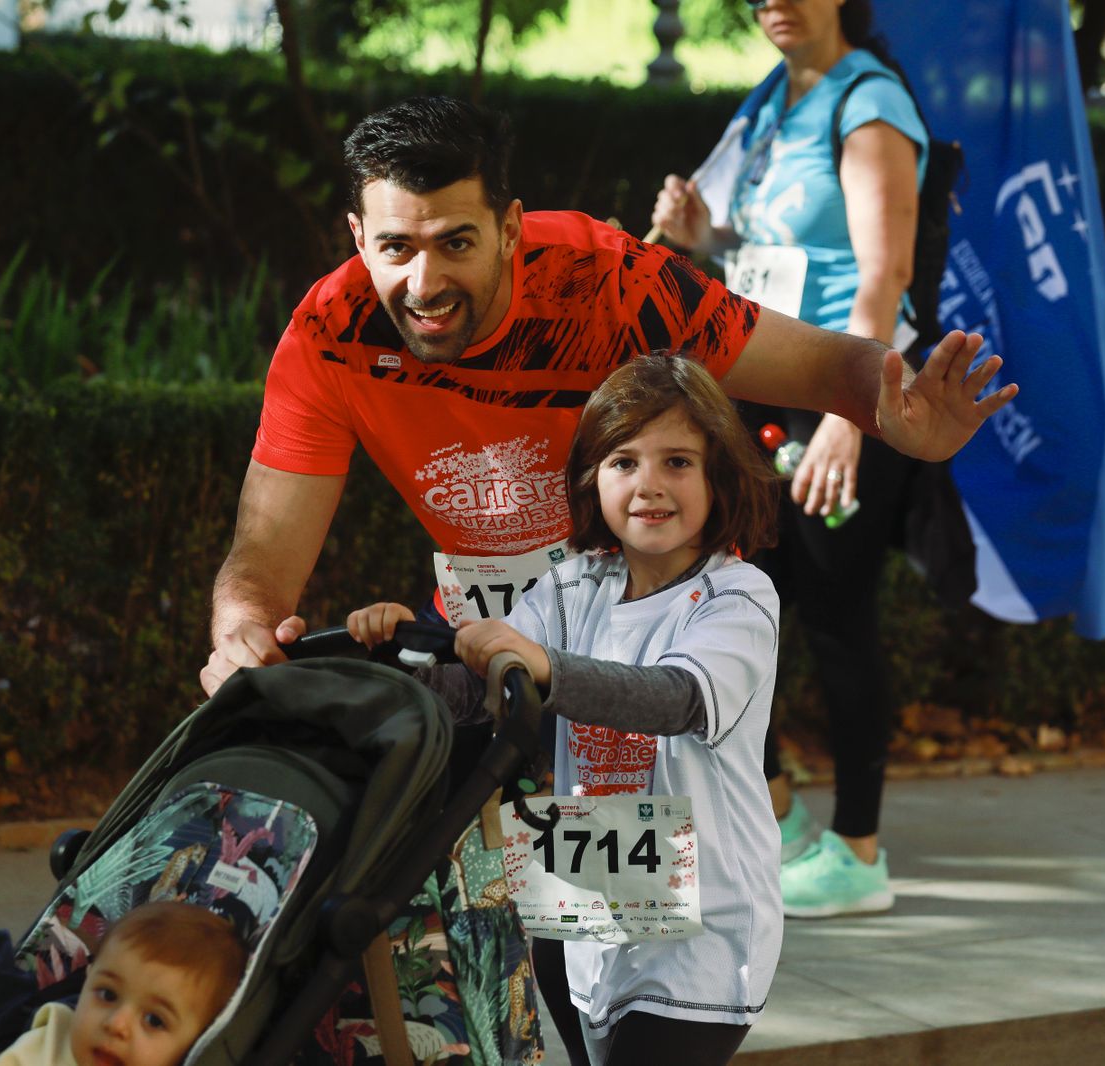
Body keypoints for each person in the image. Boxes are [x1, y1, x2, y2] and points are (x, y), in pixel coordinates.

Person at [199, 94, 1014, 700]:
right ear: (357, 240)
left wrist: (894, 413)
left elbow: (816, 365)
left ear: (512, 228)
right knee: (428, 890)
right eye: (396, 248)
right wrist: (240, 631)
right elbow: (265, 554)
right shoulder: (331, 334)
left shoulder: (611, 282)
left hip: (639, 632)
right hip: (478, 632)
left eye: (457, 243)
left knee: (638, 919)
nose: (425, 282)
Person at [346, 354, 782, 1066]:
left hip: (704, 931)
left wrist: (545, 666)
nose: (649, 485)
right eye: (623, 462)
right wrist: (400, 657)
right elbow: (475, 693)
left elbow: (675, 699)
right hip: (577, 910)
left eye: (677, 462)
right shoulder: (573, 587)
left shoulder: (737, 597)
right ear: (592, 478)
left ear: (719, 476)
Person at [650, 0, 943, 916]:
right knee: (739, 607)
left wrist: (853, 415)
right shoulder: (771, 97)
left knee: (834, 616)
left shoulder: (871, 102)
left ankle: (859, 853)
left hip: (843, 393)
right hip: (752, 393)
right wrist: (703, 239)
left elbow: (881, 275)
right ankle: (771, 816)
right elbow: (768, 247)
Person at [0, 894, 246, 1066]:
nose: (118, 1024)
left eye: (154, 1020)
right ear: (88, 979)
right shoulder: (54, 1029)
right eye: (107, 994)